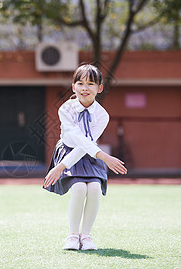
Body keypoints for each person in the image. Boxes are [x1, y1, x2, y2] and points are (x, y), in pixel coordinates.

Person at [43, 63, 127, 251]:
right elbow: (77, 139)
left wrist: (100, 156)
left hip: (89, 153)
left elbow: (86, 145)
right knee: (79, 188)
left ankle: (86, 236)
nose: (85, 88)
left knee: (95, 188)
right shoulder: (65, 109)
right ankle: (73, 236)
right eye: (80, 83)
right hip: (69, 151)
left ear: (99, 88)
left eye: (90, 84)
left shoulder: (102, 115)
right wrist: (60, 166)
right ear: (73, 87)